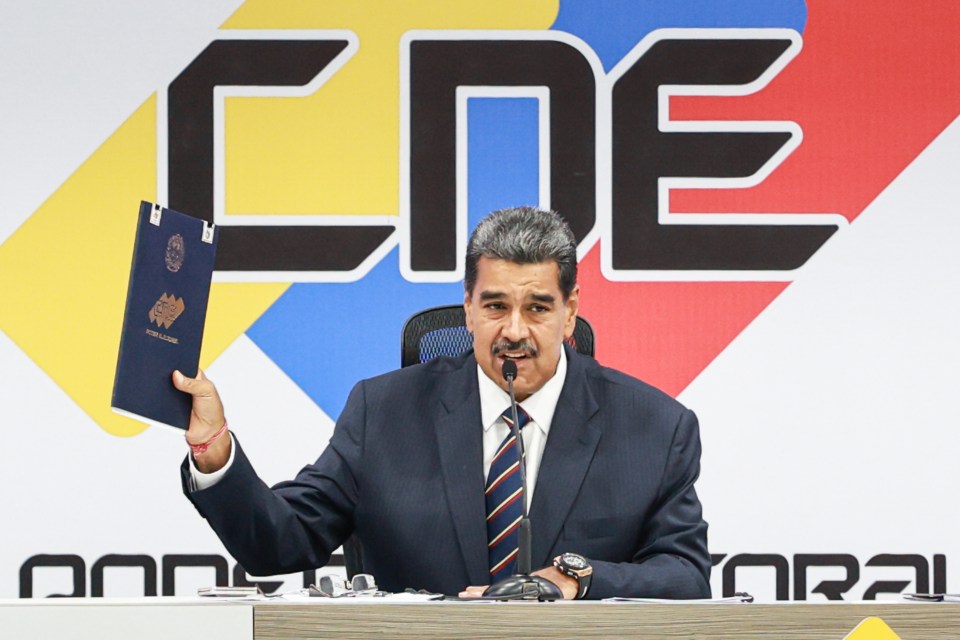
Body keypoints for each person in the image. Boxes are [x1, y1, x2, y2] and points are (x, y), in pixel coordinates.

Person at [176, 206, 710, 599]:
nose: (515, 331)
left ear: (570, 313)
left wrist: (576, 576)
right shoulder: (383, 412)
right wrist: (213, 449)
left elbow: (685, 576)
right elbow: (279, 544)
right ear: (468, 310)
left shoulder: (656, 428)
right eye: (495, 306)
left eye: (539, 308)